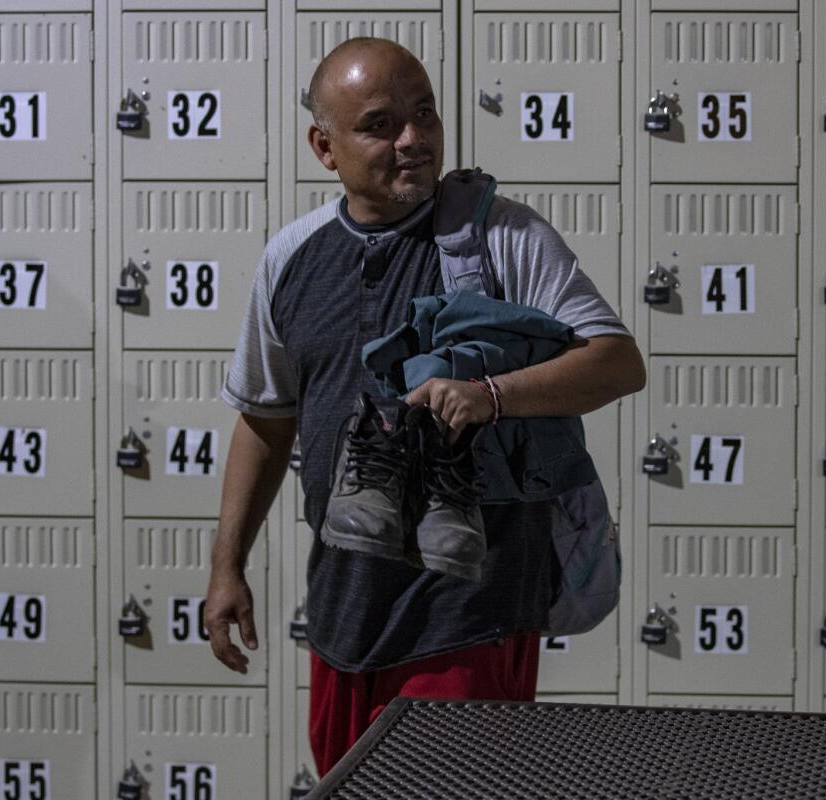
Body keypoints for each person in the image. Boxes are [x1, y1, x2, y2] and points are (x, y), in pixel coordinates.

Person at [203, 37, 645, 775]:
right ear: (324, 146)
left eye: (425, 114)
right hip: (344, 606)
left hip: (470, 607)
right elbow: (266, 421)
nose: (413, 139)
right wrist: (227, 566)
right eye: (380, 124)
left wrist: (491, 396)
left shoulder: (504, 238)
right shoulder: (292, 258)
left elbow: (616, 362)